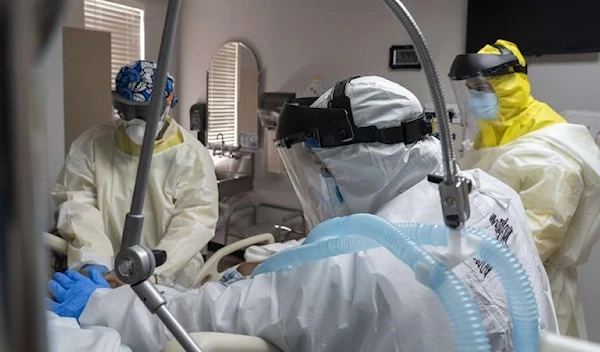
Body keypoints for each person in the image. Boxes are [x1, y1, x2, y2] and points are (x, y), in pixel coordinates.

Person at [48, 76, 557, 352]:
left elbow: (202, 316)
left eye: (321, 167)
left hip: (153, 284)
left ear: (355, 161)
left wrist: (100, 308)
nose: (320, 182)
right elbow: (78, 200)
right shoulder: (486, 194)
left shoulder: (350, 266)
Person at [449, 39, 600, 339]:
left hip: (533, 292)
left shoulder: (549, 151)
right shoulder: (491, 136)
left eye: (482, 88)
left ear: (510, 87)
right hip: (485, 282)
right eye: (470, 89)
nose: (474, 97)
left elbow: (530, 243)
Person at [53, 60, 219, 288]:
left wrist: (150, 269)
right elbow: (77, 205)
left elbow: (195, 221)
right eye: (129, 111)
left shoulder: (191, 155)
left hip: (169, 277)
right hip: (105, 272)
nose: (137, 121)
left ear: (167, 104)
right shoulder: (91, 145)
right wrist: (95, 263)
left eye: (146, 112)